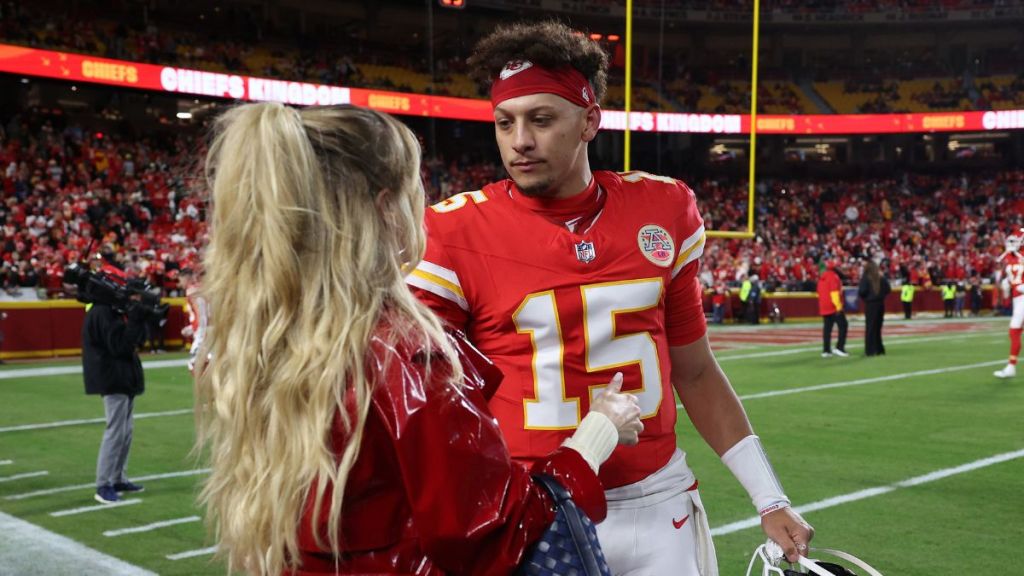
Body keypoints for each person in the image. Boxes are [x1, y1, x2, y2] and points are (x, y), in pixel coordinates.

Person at [408, 21, 813, 576]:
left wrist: (770, 497)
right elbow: (431, 407)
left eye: (541, 120)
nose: (520, 141)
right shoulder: (453, 232)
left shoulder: (664, 208)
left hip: (657, 502)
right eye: (505, 123)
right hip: (535, 507)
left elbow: (694, 372)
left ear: (590, 120)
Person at [193, 103, 645, 576]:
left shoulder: (268, 332)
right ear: (387, 209)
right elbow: (495, 533)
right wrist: (597, 433)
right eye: (417, 189)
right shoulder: (404, 353)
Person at [82, 298, 146, 504]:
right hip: (113, 378)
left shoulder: (111, 311)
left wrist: (140, 319)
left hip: (123, 377)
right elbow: (120, 346)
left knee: (125, 431)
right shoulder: (102, 312)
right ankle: (103, 484)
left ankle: (118, 478)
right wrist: (135, 319)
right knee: (116, 431)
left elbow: (137, 341)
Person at [994, 229, 1024, 378]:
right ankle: (1011, 366)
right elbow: (1011, 276)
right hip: (1018, 299)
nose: (1011, 244)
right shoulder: (1009, 258)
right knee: (1014, 332)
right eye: (1010, 241)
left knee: (1014, 330)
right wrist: (1007, 282)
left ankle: (1011, 367)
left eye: (1015, 241)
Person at [857, 260, 890, 356]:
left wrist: (866, 298)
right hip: (880, 304)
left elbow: (862, 291)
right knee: (878, 328)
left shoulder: (866, 278)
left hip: (871, 304)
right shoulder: (881, 277)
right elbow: (888, 289)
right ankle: (879, 349)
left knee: (870, 328)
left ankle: (870, 350)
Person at [817, 260, 849, 358]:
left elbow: (819, 293)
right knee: (843, 326)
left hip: (824, 306)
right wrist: (838, 306)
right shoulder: (834, 277)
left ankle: (826, 350)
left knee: (827, 329)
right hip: (833, 307)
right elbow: (834, 293)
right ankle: (840, 347)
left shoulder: (821, 278)